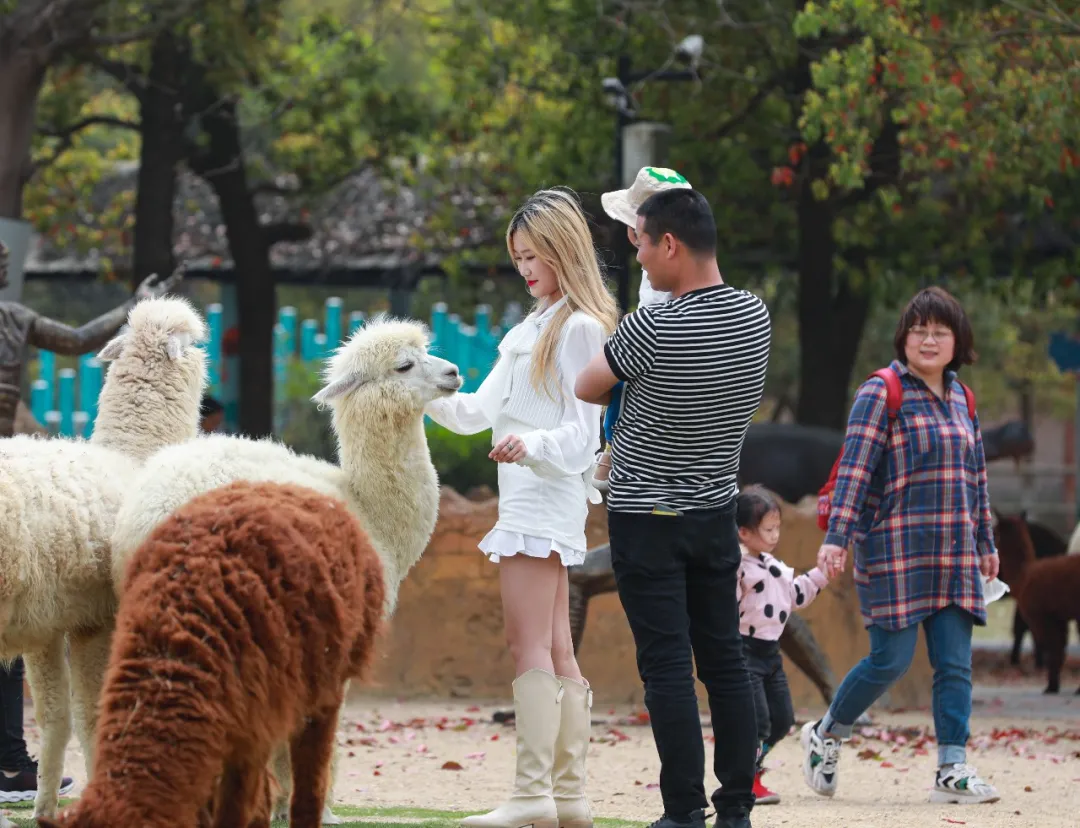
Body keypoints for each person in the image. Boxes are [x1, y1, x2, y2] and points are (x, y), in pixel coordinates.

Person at [575, 188, 772, 828]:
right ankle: (736, 807)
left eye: (642, 246)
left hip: (643, 517)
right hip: (716, 513)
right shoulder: (756, 317)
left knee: (666, 666)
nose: (639, 262)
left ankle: (683, 812)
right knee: (725, 661)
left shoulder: (654, 324)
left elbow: (587, 382)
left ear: (671, 245)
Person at [425, 188, 618, 828]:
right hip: (533, 497)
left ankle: (534, 794)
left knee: (527, 642)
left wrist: (528, 444)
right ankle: (568, 801)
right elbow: (474, 412)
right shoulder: (532, 326)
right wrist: (413, 387)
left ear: (564, 250)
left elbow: (582, 436)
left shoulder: (579, 326)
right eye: (519, 258)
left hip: (543, 499)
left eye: (534, 255)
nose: (526, 268)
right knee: (557, 648)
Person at [801, 286, 1001, 805]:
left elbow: (975, 476)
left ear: (958, 341)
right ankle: (827, 733)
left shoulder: (963, 398)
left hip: (955, 552)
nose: (928, 340)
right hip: (895, 549)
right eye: (919, 330)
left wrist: (986, 539)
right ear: (904, 337)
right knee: (889, 661)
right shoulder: (881, 391)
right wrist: (837, 539)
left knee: (955, 664)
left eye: (940, 331)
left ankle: (951, 768)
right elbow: (854, 470)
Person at [0, 241, 180, 803]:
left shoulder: (16, 317)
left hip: (13, 469)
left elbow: (77, 342)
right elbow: (78, 344)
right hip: (14, 475)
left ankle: (10, 759)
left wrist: (135, 305)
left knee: (19, 624)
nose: (4, 268)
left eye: (6, 262)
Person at [592, 166, 692, 490]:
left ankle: (612, 449)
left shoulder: (659, 274)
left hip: (657, 352)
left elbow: (654, 323)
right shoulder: (665, 265)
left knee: (621, 386)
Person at [734, 485, 830, 806]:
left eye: (777, 528)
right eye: (768, 530)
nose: (775, 536)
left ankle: (752, 770)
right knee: (757, 719)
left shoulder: (773, 566)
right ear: (744, 532)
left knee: (782, 719)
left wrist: (820, 575)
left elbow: (795, 596)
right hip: (744, 651)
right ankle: (742, 779)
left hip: (770, 654)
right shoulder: (737, 568)